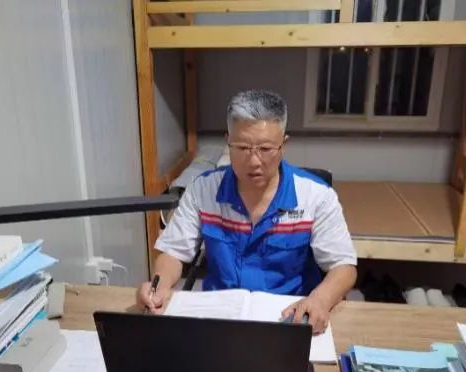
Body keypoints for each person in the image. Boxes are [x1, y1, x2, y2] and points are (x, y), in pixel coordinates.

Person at [136, 89, 357, 333]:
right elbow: (173, 253)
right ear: (227, 142)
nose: (254, 161)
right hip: (219, 320)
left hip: (289, 320)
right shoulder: (203, 190)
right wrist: (159, 285)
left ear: (283, 145)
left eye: (265, 149)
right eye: (242, 148)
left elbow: (343, 266)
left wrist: (320, 300)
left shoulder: (316, 195)